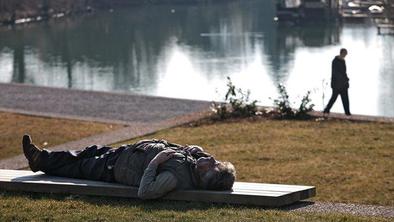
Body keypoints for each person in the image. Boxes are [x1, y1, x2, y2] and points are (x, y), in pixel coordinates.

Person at [21, 134, 236, 199]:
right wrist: (196, 152)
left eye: (214, 165)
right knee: (84, 153)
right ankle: (41, 158)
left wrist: (156, 161)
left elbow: (145, 192)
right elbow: (193, 149)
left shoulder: (176, 178)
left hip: (115, 169)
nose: (212, 159)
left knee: (77, 167)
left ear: (206, 176)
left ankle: (39, 161)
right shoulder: (193, 165)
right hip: (123, 154)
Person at [323, 48, 351, 116]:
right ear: (342, 53)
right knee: (334, 98)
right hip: (336, 84)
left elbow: (344, 72)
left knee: (345, 99)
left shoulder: (343, 61)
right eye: (345, 54)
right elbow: (335, 73)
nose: (345, 55)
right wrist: (342, 80)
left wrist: (346, 79)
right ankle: (326, 110)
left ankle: (347, 112)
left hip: (343, 84)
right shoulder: (335, 61)